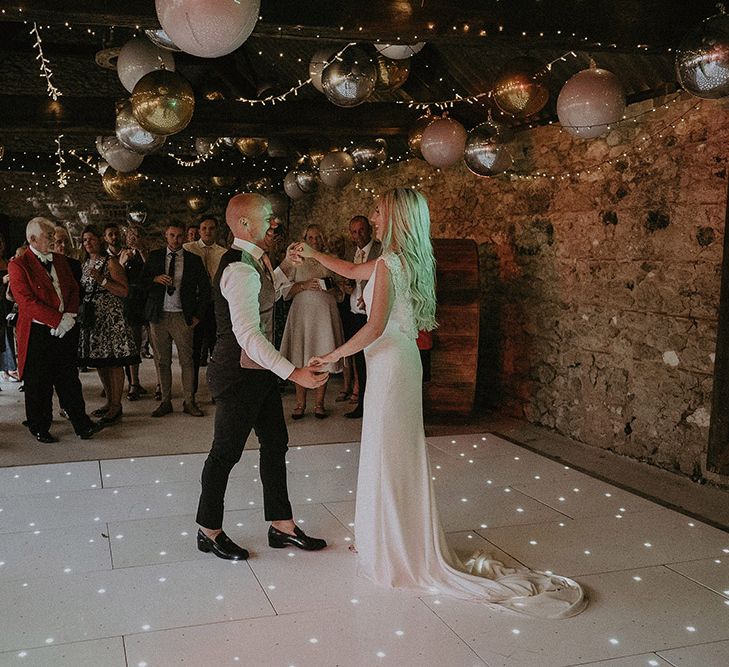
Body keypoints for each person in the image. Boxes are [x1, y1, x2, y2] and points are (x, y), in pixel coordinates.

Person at [297, 189, 586, 618]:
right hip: (398, 363)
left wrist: (334, 355)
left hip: (391, 364)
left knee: (390, 453)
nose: (373, 217)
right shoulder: (401, 260)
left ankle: (397, 547)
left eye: (379, 211)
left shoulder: (390, 263)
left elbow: (374, 327)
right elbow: (352, 268)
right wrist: (314, 253)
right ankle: (386, 536)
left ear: (394, 217)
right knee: (388, 450)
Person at [196, 193, 329, 561]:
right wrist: (295, 373)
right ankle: (208, 530)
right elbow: (249, 336)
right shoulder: (239, 268)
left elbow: (271, 290)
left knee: (275, 444)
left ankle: (281, 525)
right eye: (267, 217)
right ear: (243, 224)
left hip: (258, 373)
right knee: (225, 454)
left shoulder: (254, 261)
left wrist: (286, 265)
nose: (274, 223)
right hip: (238, 374)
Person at [8, 217, 100, 442]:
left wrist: (69, 316)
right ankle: (39, 426)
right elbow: (26, 302)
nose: (53, 240)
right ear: (32, 239)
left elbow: (73, 289)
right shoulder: (19, 265)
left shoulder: (61, 260)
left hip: (65, 327)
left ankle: (81, 423)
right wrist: (57, 320)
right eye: (48, 237)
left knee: (69, 378)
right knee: (38, 382)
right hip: (38, 332)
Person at [140, 222, 211, 418]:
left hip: (182, 315)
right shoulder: (155, 257)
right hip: (159, 315)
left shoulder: (193, 260)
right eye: (172, 235)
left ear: (185, 237)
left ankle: (189, 401)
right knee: (162, 360)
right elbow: (140, 283)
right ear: (166, 236)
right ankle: (165, 400)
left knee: (187, 360)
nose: (176, 239)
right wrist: (155, 279)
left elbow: (205, 289)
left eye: (180, 236)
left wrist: (197, 315)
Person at [280, 224, 344, 419]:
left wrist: (332, 289)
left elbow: (341, 292)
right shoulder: (296, 262)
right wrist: (303, 285)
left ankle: (319, 403)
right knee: (301, 356)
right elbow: (284, 291)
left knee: (322, 354)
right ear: (304, 239)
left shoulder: (329, 260)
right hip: (303, 316)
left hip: (324, 315)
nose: (314, 241)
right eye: (311, 237)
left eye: (318, 237)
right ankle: (300, 403)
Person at [77, 226, 140, 426]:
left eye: (92, 239)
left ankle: (116, 405)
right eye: (85, 240)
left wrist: (102, 280)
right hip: (93, 319)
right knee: (101, 362)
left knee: (114, 361)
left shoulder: (110, 262)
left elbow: (124, 291)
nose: (88, 243)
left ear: (100, 241)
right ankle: (108, 402)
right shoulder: (85, 263)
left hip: (111, 317)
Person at [183, 216, 227, 402]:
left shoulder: (224, 253)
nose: (207, 231)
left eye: (211, 228)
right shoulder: (188, 249)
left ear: (216, 230)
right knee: (193, 350)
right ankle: (190, 392)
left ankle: (216, 390)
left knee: (215, 350)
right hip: (195, 306)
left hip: (216, 305)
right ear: (199, 231)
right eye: (204, 228)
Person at [342, 215, 381, 419]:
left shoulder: (379, 250)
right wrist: (347, 286)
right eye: (354, 232)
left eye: (362, 231)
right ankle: (362, 406)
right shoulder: (350, 252)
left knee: (374, 361)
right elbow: (349, 277)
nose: (358, 236)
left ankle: (374, 406)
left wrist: (370, 297)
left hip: (373, 314)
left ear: (370, 230)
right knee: (359, 362)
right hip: (354, 314)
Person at [118, 225, 148, 401]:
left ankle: (160, 385)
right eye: (130, 235)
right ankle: (134, 383)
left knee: (155, 345)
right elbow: (118, 276)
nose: (133, 238)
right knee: (133, 344)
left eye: (137, 235)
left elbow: (151, 269)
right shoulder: (123, 254)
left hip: (147, 299)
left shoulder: (147, 252)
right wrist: (123, 261)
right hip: (131, 301)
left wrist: (142, 252)